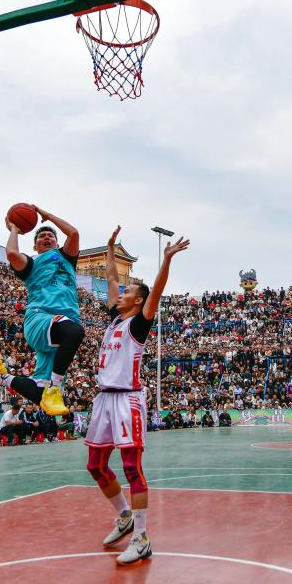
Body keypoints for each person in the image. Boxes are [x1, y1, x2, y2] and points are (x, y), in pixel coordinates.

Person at [86, 225, 189, 566]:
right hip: (103, 399)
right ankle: (124, 516)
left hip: (127, 399)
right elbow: (112, 278)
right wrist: (110, 248)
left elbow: (156, 290)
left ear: (138, 301)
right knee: (95, 465)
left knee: (131, 468)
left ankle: (142, 539)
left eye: (127, 291)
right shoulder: (114, 319)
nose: (120, 292)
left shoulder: (139, 323)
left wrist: (167, 259)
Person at [0, 206, 84, 417]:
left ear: (57, 243)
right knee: (75, 332)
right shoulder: (32, 263)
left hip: (63, 326)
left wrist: (48, 216)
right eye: (42, 237)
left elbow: (74, 233)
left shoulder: (66, 258)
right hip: (41, 318)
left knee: (40, 393)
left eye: (50, 236)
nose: (46, 237)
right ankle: (54, 388)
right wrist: (14, 229)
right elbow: (12, 253)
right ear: (35, 246)